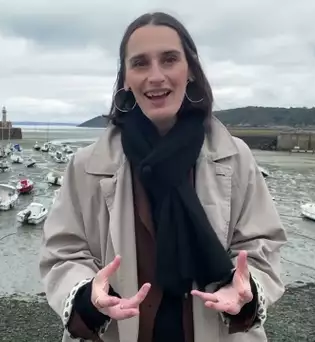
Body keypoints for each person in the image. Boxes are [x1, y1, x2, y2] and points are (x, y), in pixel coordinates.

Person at [40, 11, 287, 342]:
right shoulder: (87, 165)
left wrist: (246, 289)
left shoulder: (235, 157)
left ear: (190, 72)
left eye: (169, 59)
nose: (156, 76)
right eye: (140, 63)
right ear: (126, 78)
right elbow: (63, 252)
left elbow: (262, 245)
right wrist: (87, 294)